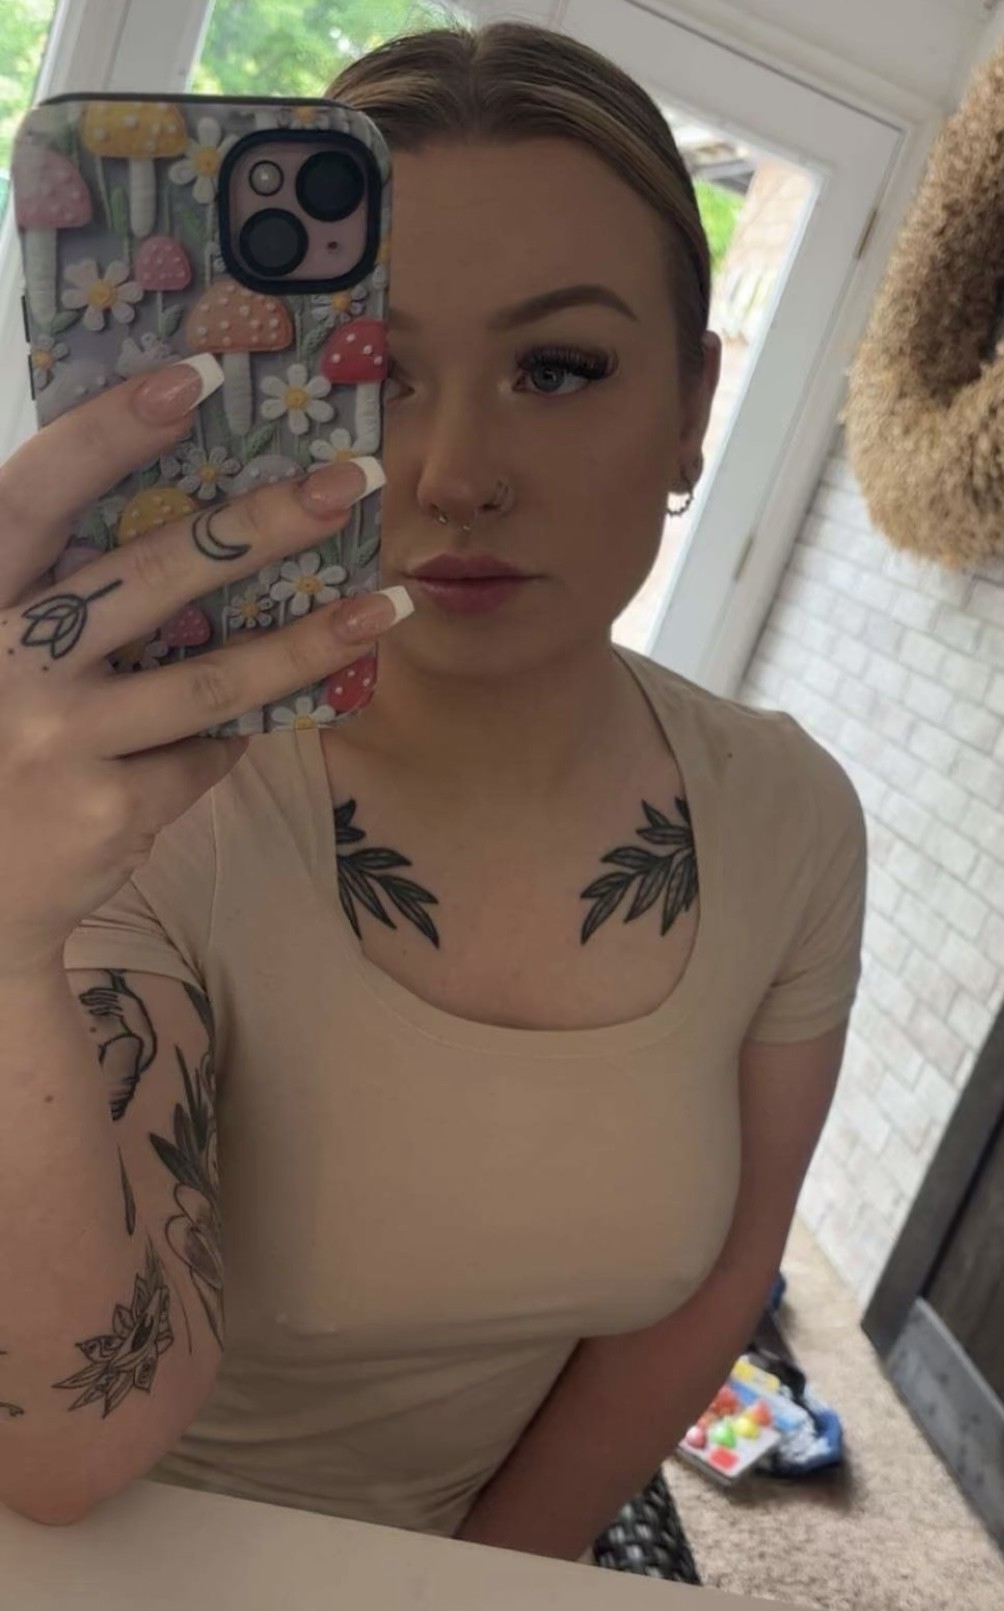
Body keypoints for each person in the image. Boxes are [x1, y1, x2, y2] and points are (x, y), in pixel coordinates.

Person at [0, 18, 867, 1570]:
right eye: (371, 374)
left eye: (558, 368)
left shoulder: (788, 817)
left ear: (687, 408)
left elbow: (716, 1285)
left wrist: (484, 1576)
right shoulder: (142, 807)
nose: (457, 473)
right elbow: (77, 1445)